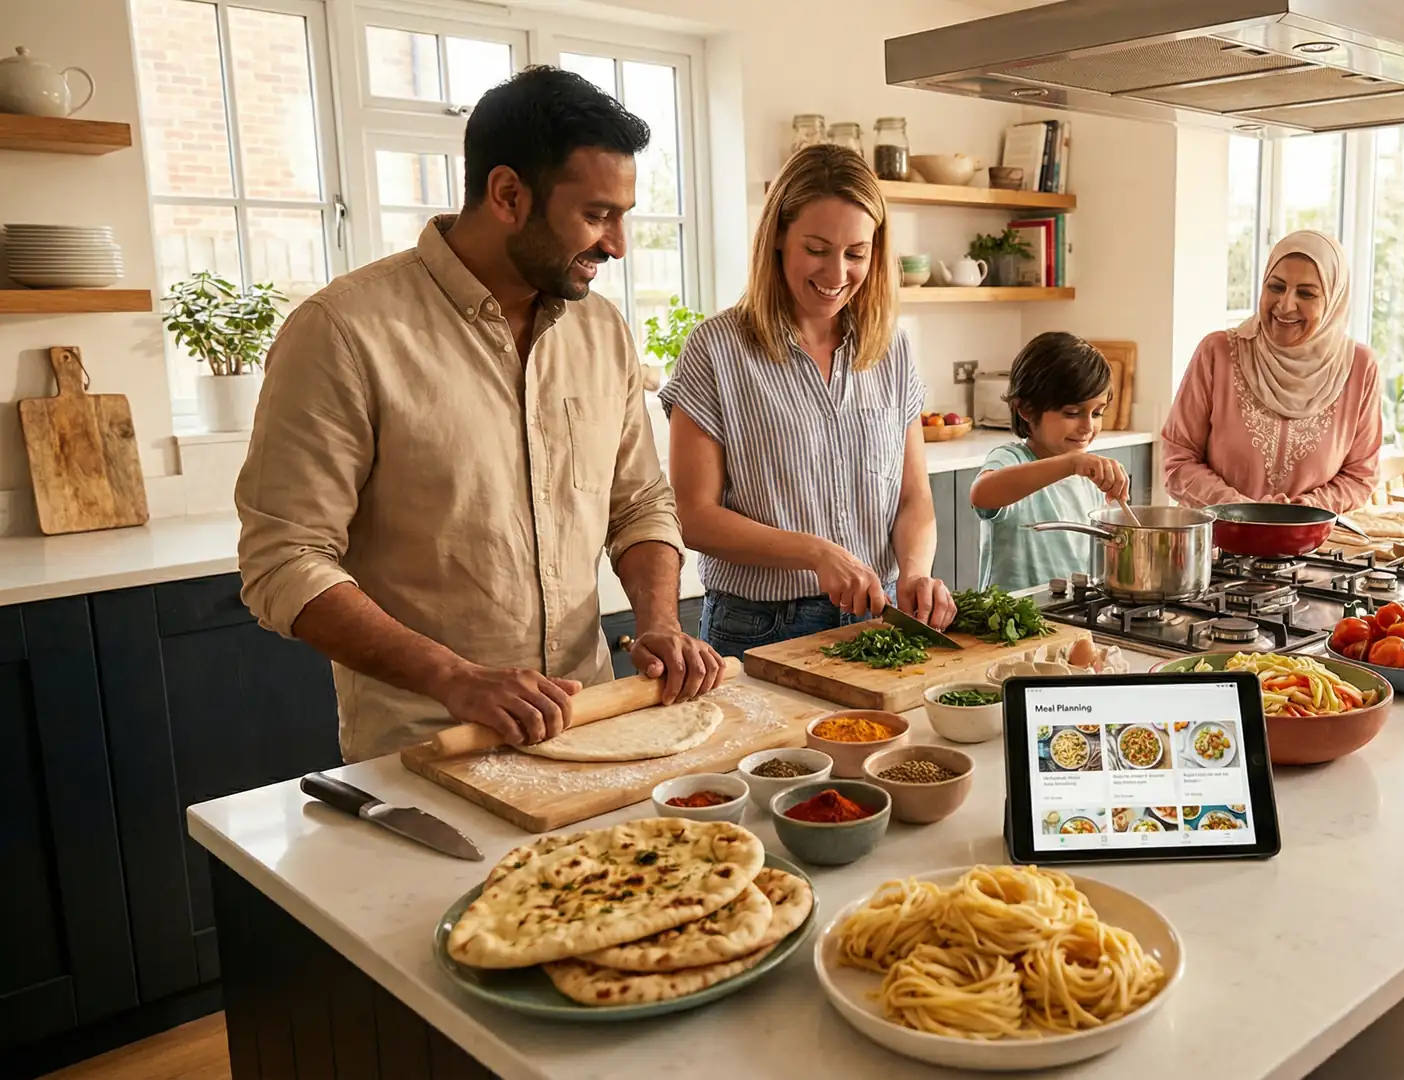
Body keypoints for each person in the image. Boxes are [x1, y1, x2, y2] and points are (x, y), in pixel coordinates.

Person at [236, 67, 723, 764]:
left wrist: (660, 622)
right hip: (430, 747)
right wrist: (455, 678)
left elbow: (639, 502)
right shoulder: (344, 331)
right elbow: (283, 559)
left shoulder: (602, 331)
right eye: (596, 214)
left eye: (623, 215)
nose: (617, 244)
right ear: (507, 194)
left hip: (593, 725)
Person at [662, 145, 955, 658]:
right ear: (777, 237)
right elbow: (694, 516)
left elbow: (915, 498)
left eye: (856, 253)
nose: (837, 273)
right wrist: (815, 553)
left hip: (876, 619)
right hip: (760, 626)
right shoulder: (717, 348)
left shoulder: (892, 347)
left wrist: (915, 572)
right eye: (817, 249)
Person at [1161, 229, 1382, 511]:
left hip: (1313, 548)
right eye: (1276, 287)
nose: (1286, 305)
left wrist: (1300, 514)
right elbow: (1178, 458)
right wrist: (1242, 512)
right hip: (1217, 542)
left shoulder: (1360, 368)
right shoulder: (1217, 352)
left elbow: (1360, 474)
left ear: (1333, 303)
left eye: (1306, 293)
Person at [969, 332, 1129, 590]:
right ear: (1026, 409)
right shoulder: (1011, 459)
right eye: (1072, 413)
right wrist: (1070, 464)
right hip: (1012, 618)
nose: (1088, 426)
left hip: (1069, 615)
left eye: (1097, 413)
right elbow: (982, 494)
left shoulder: (1088, 476)